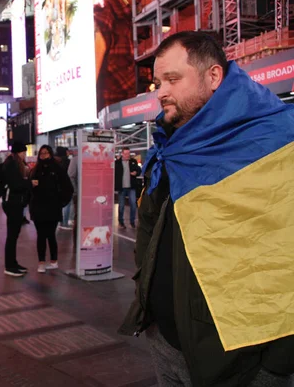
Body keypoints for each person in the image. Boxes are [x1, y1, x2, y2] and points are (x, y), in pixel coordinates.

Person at [119, 31, 294, 386]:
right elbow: (152, 230)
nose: (160, 92)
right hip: (167, 342)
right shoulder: (172, 146)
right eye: (157, 82)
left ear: (213, 76)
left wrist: (277, 362)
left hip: (243, 362)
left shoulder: (278, 139)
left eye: (172, 79)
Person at [29, 145, 73, 273]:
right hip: (38, 207)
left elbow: (68, 188)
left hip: (52, 207)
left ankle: (54, 261)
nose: (43, 156)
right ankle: (41, 262)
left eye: (46, 153)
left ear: (50, 154)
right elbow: (29, 188)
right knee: (41, 235)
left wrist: (61, 202)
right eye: (41, 154)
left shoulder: (58, 169)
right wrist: (31, 185)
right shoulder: (35, 170)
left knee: (50, 235)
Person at [2, 141, 30, 277]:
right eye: (24, 153)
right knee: (12, 236)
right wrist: (30, 183)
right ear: (19, 153)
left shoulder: (15, 164)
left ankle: (13, 263)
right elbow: (16, 185)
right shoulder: (13, 165)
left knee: (14, 235)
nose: (25, 155)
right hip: (13, 204)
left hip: (15, 203)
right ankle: (10, 266)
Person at [114, 147, 141, 229]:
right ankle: (121, 222)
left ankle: (132, 222)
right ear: (122, 154)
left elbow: (139, 170)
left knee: (133, 204)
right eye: (125, 154)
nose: (127, 155)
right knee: (121, 205)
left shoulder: (133, 161)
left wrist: (136, 173)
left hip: (131, 187)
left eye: (128, 153)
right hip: (122, 188)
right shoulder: (117, 163)